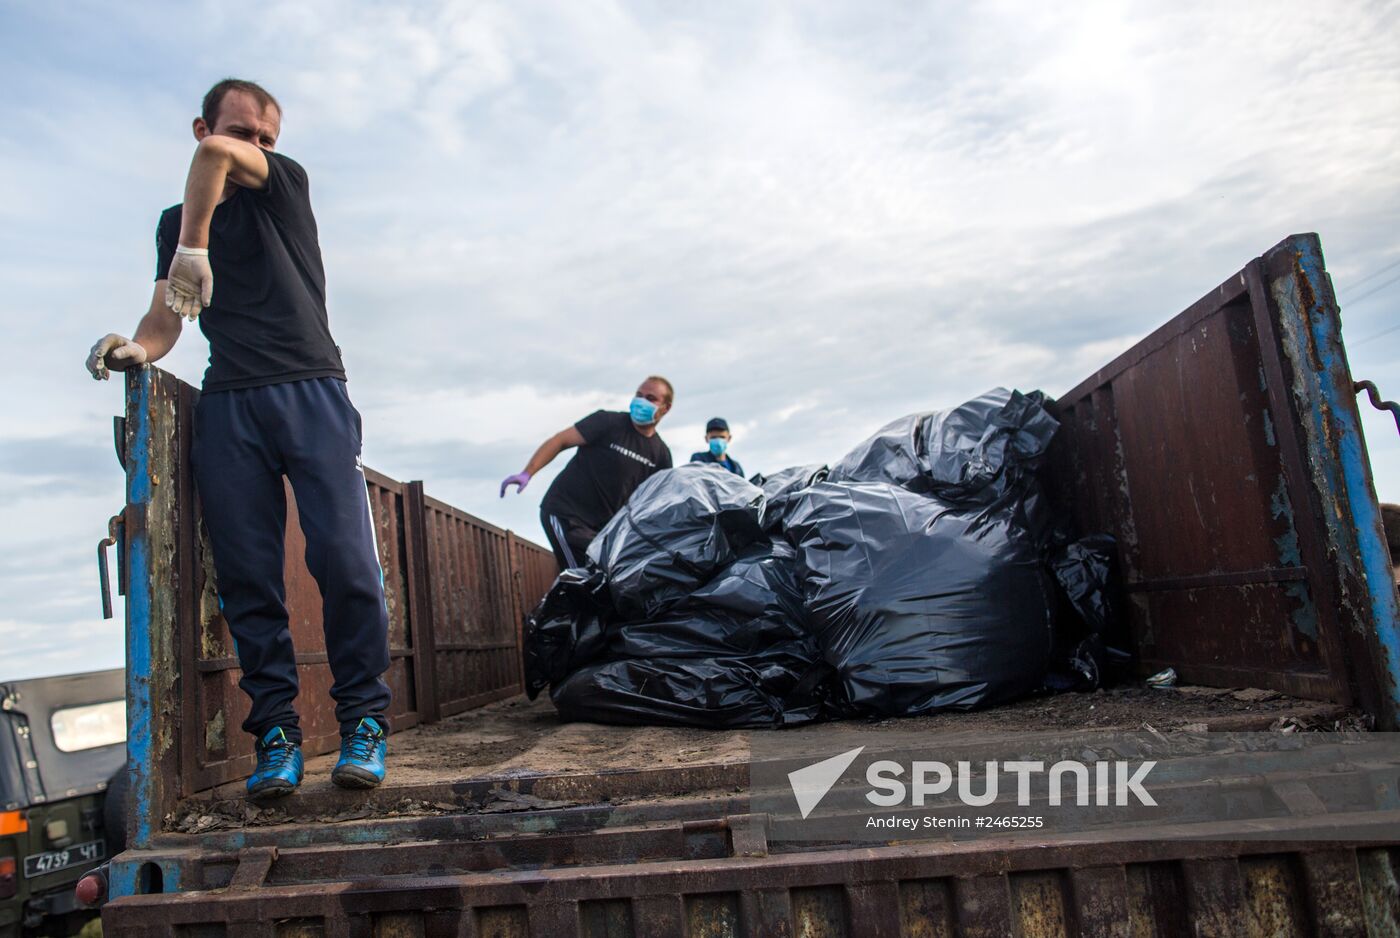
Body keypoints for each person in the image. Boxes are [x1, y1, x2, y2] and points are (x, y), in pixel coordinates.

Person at [83, 79, 391, 800]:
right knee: (249, 579)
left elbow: (219, 160)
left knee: (347, 564)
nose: (255, 147)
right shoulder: (174, 223)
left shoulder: (282, 186)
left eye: (265, 137)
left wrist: (198, 242)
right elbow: (169, 317)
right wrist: (138, 348)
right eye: (239, 131)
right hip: (230, 407)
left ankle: (363, 725)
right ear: (199, 126)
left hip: (311, 388)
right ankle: (278, 736)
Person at [501, 377, 675, 569]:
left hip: (602, 531)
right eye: (638, 395)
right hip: (566, 513)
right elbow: (560, 441)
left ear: (665, 408)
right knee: (582, 577)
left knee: (602, 582)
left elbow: (657, 503)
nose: (641, 401)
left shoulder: (661, 455)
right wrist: (527, 472)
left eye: (650, 398)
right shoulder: (607, 422)